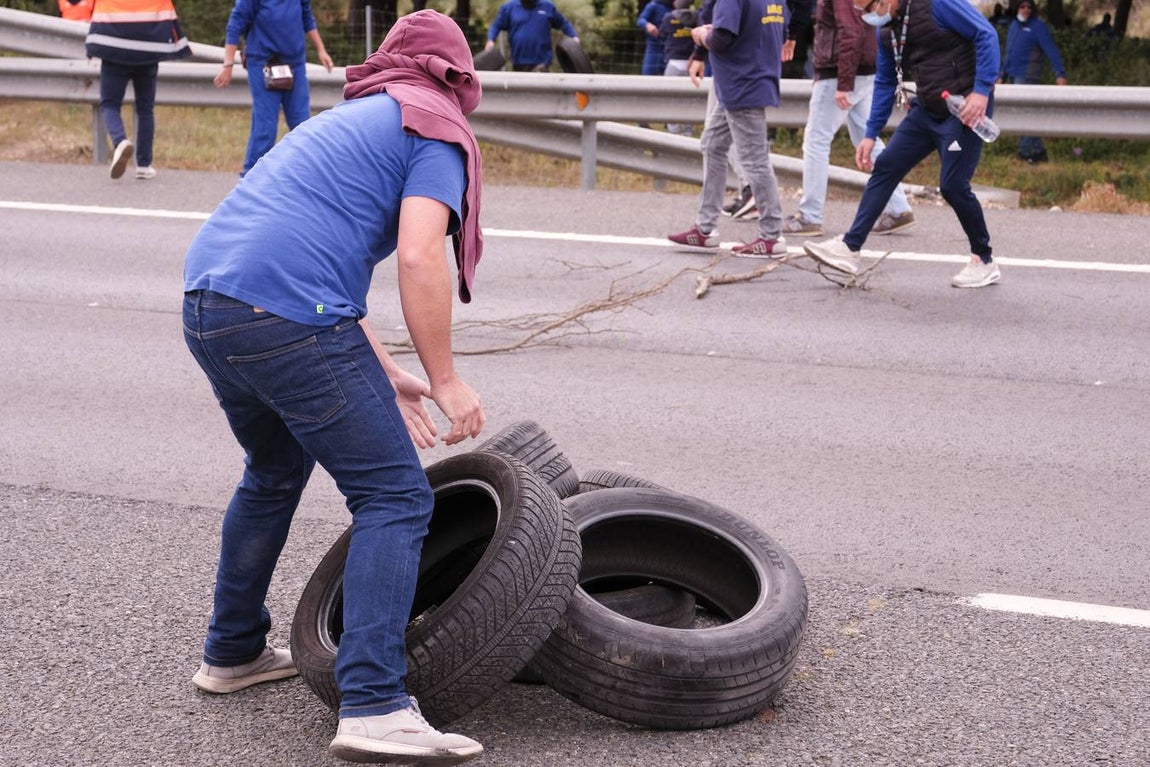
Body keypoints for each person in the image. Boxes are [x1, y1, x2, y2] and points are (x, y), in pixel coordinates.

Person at [182, 10, 486, 764]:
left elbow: (310, 254)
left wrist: (386, 373)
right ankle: (376, 704)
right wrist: (447, 380)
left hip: (209, 301)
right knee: (396, 496)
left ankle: (232, 651)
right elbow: (419, 257)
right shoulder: (433, 126)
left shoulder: (351, 120)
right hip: (285, 313)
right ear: (460, 77)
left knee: (275, 470)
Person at [803, 0, 1004, 289]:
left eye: (867, 8)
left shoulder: (937, 5)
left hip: (963, 109)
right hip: (927, 109)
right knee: (886, 166)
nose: (865, 16)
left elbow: (986, 35)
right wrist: (871, 134)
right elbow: (885, 81)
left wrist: (982, 91)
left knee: (953, 185)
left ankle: (983, 260)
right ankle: (849, 248)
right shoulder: (887, 28)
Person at [670, 0, 806, 257]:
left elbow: (721, 40)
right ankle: (705, 228)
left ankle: (771, 235)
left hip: (740, 84)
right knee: (712, 144)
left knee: (755, 161)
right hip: (753, 79)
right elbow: (779, 26)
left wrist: (701, 36)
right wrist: (716, 30)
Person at [782, 0, 916, 239]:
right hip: (862, 70)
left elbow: (849, 31)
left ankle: (810, 216)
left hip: (840, 73)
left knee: (816, 142)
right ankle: (898, 208)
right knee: (869, 140)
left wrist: (843, 82)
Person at [213, 0, 334, 176]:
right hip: (263, 63)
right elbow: (235, 24)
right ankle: (251, 177)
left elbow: (307, 17)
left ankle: (308, 176)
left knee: (302, 125)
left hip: (294, 65)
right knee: (266, 128)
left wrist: (321, 50)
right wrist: (228, 64)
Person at [84, 0, 190, 180]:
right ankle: (143, 165)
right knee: (145, 108)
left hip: (113, 50)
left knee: (109, 104)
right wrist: (179, 45)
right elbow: (168, 14)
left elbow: (97, 13)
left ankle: (120, 141)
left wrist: (92, 46)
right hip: (147, 52)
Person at [999, 0, 1067, 163]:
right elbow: (1008, 54)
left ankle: (1025, 151)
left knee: (1024, 113)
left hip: (1028, 76)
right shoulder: (1014, 26)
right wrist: (1001, 75)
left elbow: (1051, 50)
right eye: (1022, 7)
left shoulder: (1038, 26)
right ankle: (1038, 151)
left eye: (1029, 7)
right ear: (1017, 8)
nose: (1026, 10)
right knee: (1023, 114)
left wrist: (1060, 74)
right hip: (1014, 76)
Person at [484, 0, 580, 72]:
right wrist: (491, 40)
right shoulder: (509, 8)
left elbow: (563, 23)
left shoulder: (547, 7)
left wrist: (574, 36)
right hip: (519, 64)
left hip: (542, 64)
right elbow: (496, 26)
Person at [659, 0, 698, 135]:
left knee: (671, 99)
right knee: (690, 99)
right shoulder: (697, 16)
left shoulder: (668, 17)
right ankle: (688, 132)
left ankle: (673, 132)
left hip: (674, 62)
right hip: (691, 63)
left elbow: (662, 34)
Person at [638, 0, 675, 76]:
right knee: (647, 78)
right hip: (653, 49)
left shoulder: (676, 7)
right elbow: (640, 20)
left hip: (671, 51)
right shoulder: (653, 5)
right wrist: (647, 25)